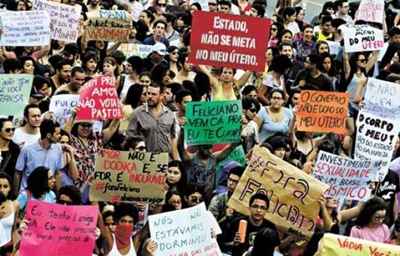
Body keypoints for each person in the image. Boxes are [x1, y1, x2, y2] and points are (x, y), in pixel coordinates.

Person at [14, 119, 71, 193]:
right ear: (48, 135)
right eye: (57, 134)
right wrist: (16, 194)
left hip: (47, 196)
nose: (60, 136)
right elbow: (18, 173)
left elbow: (57, 173)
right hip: (28, 195)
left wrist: (58, 194)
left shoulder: (58, 148)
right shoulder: (27, 150)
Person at [127, 83, 179, 160]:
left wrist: (176, 160)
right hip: (145, 160)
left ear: (161, 95)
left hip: (165, 160)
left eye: (154, 94)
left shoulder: (170, 114)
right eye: (148, 93)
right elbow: (129, 138)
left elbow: (172, 138)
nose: (150, 97)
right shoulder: (137, 113)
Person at [0, 173, 18, 252]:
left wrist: (13, 249)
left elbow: (14, 231)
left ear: (10, 188)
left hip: (6, 250)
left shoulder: (15, 205)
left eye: (5, 186)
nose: (2, 189)